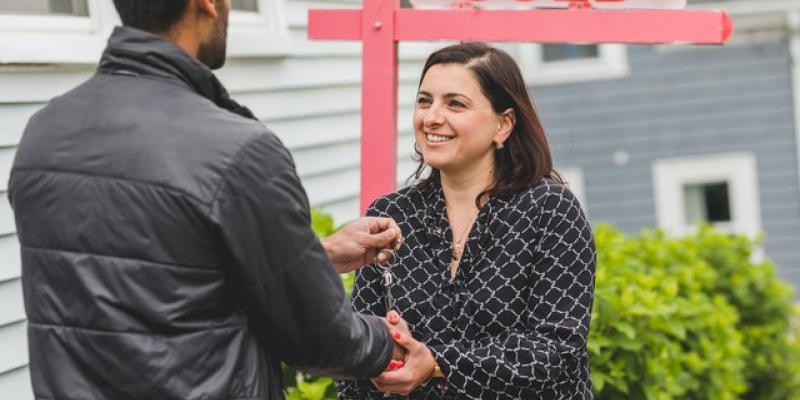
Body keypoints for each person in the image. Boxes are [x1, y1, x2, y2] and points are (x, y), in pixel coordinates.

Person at [7, 1, 410, 399]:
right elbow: (317, 338)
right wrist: (388, 343)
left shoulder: (44, 134)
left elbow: (144, 273)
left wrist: (315, 255)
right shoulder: (236, 151)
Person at [336, 42, 596, 399]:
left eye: (455, 104)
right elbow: (355, 350)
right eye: (425, 101)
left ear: (503, 125)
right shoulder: (391, 216)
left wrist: (437, 361)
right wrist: (381, 351)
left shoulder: (549, 209)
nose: (431, 117)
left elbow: (555, 348)